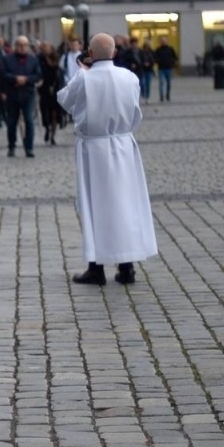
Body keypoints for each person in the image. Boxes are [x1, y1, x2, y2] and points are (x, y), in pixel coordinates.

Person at [57, 33, 158, 287]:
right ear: (114, 53)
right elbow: (135, 110)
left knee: (94, 205)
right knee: (124, 204)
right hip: (123, 145)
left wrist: (83, 72)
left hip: (94, 149)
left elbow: (64, 100)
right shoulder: (130, 77)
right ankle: (127, 267)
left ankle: (96, 267)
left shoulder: (84, 78)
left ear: (90, 52)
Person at [0, 36, 42, 158]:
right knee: (12, 121)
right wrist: (15, 78)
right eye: (20, 45)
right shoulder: (7, 59)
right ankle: (11, 146)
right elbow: (3, 74)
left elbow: (38, 75)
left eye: (25, 45)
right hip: (12, 93)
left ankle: (29, 147)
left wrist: (27, 79)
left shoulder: (33, 59)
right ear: (15, 46)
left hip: (28, 93)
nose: (23, 48)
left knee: (29, 120)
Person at [38, 46, 63, 147]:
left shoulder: (57, 65)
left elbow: (60, 78)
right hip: (45, 92)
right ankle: (47, 128)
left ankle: (52, 135)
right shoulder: (42, 64)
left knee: (54, 115)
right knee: (45, 114)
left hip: (55, 92)